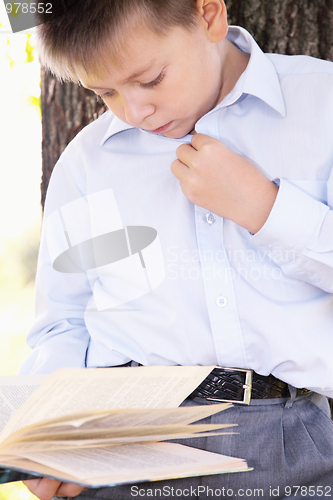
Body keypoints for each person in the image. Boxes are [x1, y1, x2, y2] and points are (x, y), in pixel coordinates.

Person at [20, 0, 333, 498]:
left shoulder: (324, 104)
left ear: (208, 15)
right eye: (105, 92)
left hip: (294, 444)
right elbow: (64, 321)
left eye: (150, 79)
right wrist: (46, 432)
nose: (134, 111)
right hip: (123, 443)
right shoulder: (86, 164)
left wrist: (266, 210)